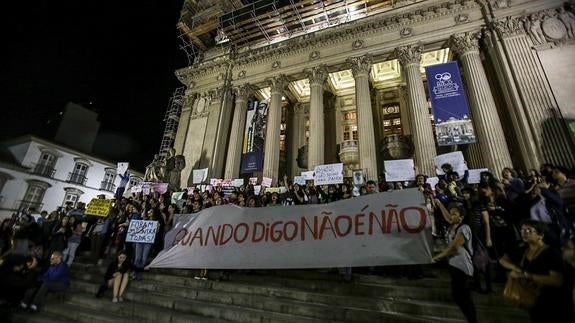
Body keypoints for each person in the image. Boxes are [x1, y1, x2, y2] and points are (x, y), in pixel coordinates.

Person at [499, 220, 574, 323]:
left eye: (529, 230)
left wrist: (526, 275)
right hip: (535, 301)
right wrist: (517, 269)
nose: (524, 232)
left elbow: (557, 280)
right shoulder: (523, 249)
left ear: (541, 235)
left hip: (554, 304)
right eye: (522, 230)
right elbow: (503, 260)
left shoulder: (551, 253)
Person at [432, 199, 477, 323]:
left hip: (461, 265)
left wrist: (437, 257)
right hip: (453, 264)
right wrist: (439, 204)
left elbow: (453, 248)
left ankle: (472, 320)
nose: (451, 216)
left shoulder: (464, 228)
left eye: (454, 214)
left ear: (461, 217)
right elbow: (447, 217)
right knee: (458, 295)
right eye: (451, 213)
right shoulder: (452, 226)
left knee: (463, 296)